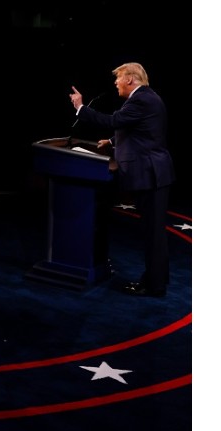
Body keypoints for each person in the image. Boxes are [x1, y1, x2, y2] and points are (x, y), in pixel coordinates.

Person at [69, 62, 175, 297]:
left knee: (153, 234)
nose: (116, 83)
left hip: (151, 175)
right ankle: (156, 280)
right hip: (152, 174)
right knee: (153, 233)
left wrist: (81, 108)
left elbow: (113, 121)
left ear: (130, 79)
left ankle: (154, 286)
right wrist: (113, 142)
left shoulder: (141, 99)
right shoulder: (146, 99)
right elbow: (142, 132)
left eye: (118, 78)